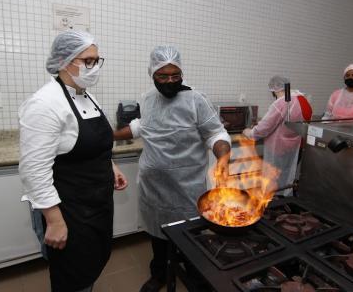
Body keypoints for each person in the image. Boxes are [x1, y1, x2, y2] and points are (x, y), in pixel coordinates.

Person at [114, 45, 231, 292]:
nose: (170, 81)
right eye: (163, 76)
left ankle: (195, 275)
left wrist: (222, 159)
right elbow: (141, 126)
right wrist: (110, 136)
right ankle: (159, 275)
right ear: (152, 74)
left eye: (175, 75)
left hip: (187, 186)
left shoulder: (195, 100)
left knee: (190, 235)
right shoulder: (147, 99)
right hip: (154, 185)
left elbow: (216, 133)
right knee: (158, 233)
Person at [19, 30, 128, 292]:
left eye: (97, 60)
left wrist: (110, 165)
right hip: (68, 211)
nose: (94, 67)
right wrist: (55, 221)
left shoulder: (87, 95)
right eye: (87, 61)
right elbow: (34, 171)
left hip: (96, 203)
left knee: (90, 264)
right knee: (72, 276)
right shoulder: (45, 103)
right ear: (65, 61)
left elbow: (93, 142)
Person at [242, 76, 312, 196]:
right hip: (296, 147)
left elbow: (264, 128)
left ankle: (272, 204)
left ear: (274, 90)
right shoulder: (303, 99)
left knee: (273, 180)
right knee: (287, 175)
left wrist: (249, 132)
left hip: (278, 148)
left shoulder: (281, 102)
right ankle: (284, 201)